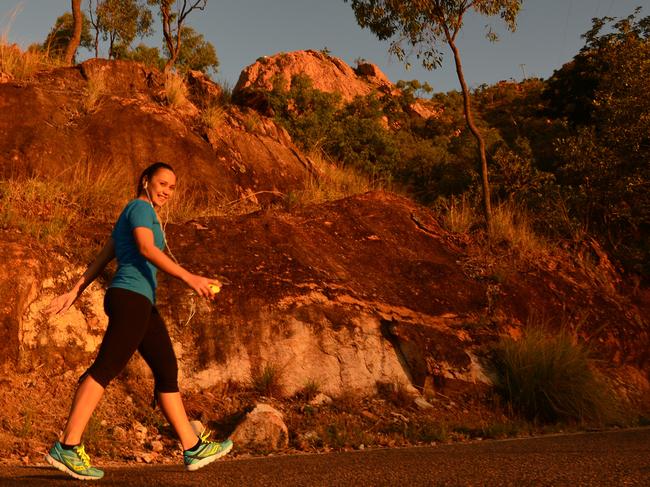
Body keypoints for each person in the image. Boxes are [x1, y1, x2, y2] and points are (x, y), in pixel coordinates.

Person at [44, 162, 232, 480]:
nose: (167, 191)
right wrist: (190, 278)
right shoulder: (139, 208)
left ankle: (191, 445)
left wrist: (73, 292)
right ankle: (68, 445)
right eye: (162, 183)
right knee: (106, 367)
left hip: (140, 301)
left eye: (172, 187)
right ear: (146, 181)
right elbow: (145, 248)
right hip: (131, 297)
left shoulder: (136, 216)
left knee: (166, 369)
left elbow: (102, 258)